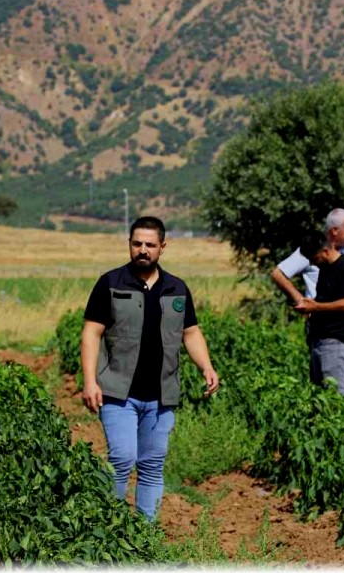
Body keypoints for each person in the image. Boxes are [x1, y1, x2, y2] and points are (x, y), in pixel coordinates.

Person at [79, 216, 220, 521]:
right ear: (130, 245)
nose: (142, 250)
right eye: (137, 244)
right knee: (122, 458)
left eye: (149, 245)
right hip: (118, 391)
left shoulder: (176, 288)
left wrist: (206, 367)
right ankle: (109, 528)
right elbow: (92, 332)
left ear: (162, 247)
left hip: (161, 395)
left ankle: (145, 536)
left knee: (152, 465)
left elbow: (191, 332)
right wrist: (90, 380)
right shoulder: (111, 283)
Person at [293, 232, 344, 395]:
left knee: (335, 401)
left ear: (325, 251)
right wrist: (309, 307)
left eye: (314, 258)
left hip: (335, 343)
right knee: (320, 399)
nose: (312, 263)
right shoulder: (325, 269)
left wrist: (316, 307)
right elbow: (325, 301)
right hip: (320, 341)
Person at [269, 208, 344, 309]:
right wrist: (301, 301)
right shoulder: (312, 248)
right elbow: (277, 274)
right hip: (317, 319)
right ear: (335, 231)